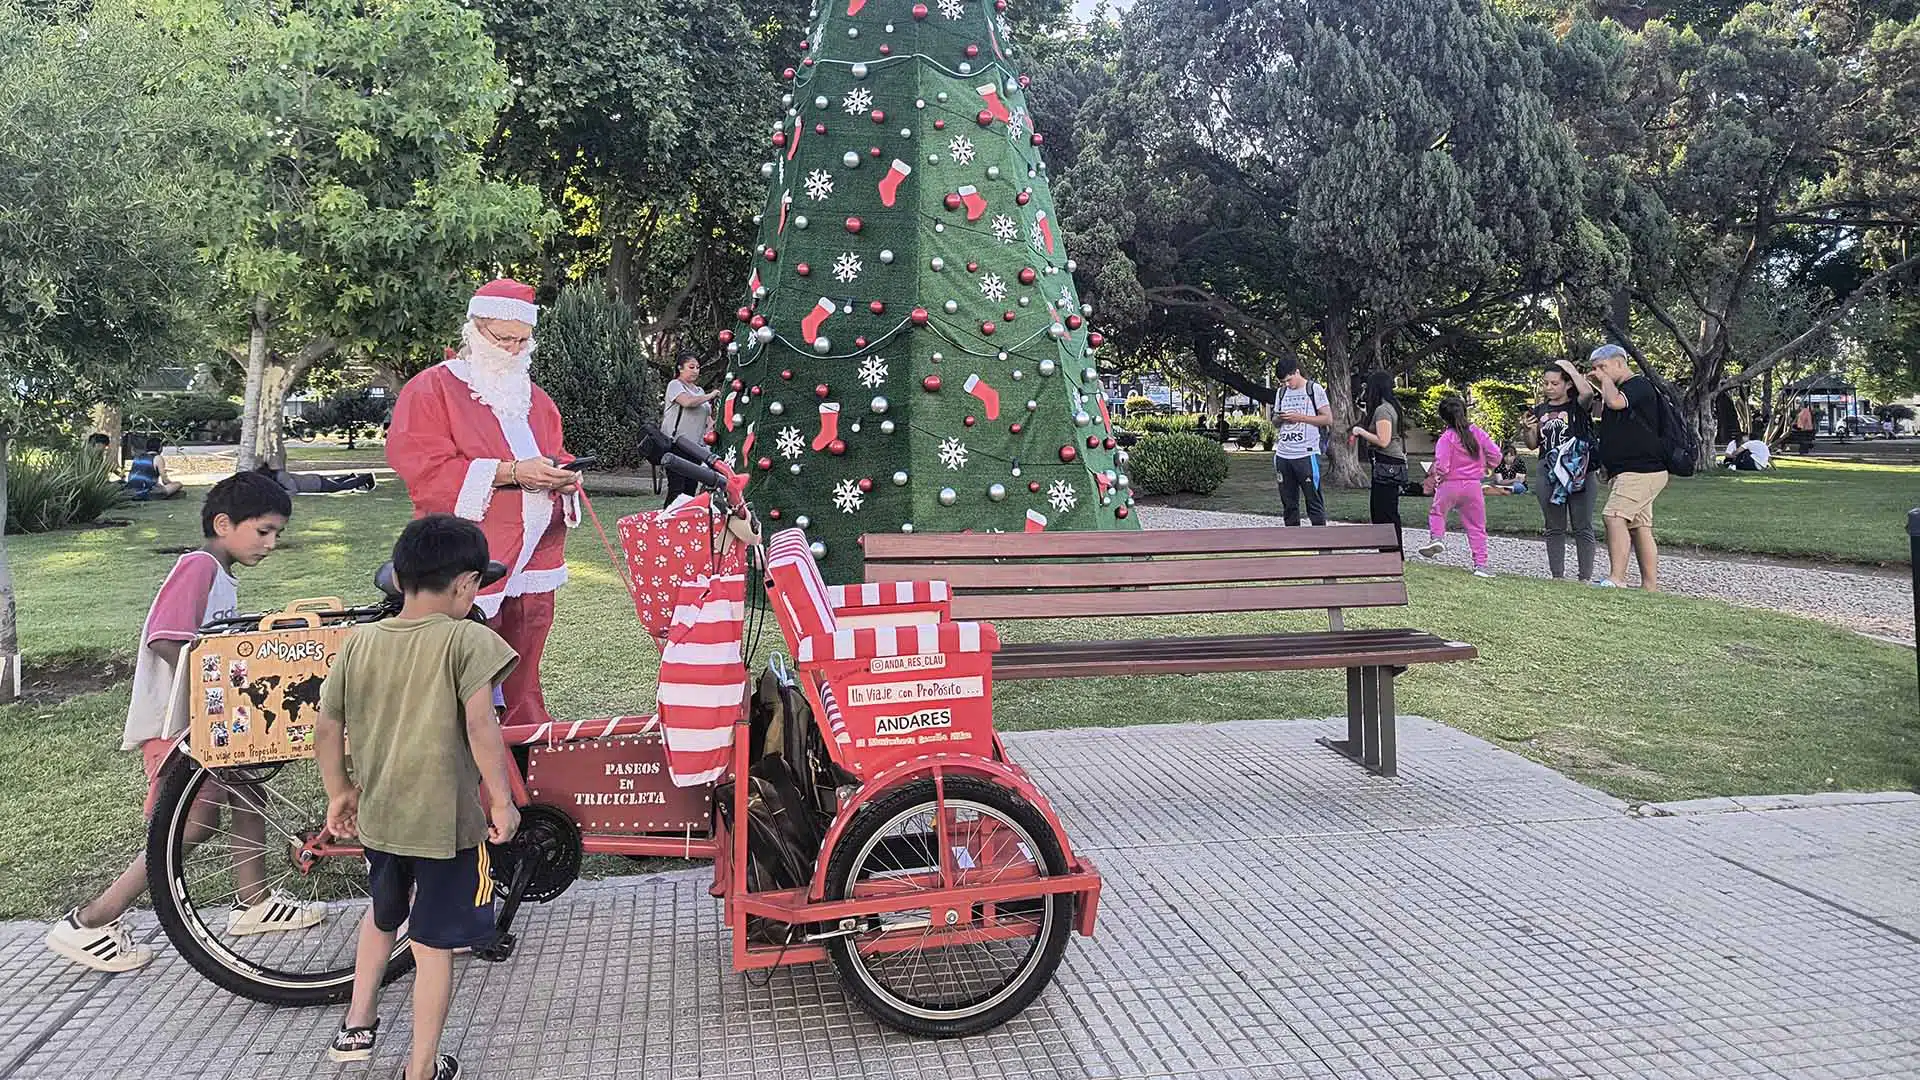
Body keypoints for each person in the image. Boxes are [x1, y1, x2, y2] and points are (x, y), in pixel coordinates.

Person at [44, 473, 326, 973]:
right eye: (263, 531)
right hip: (180, 727)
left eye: (276, 533)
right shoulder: (198, 567)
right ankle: (89, 922)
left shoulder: (220, 573)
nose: (272, 543)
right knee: (188, 826)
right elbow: (165, 637)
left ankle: (254, 902)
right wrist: (218, 688)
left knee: (247, 792)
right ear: (224, 524)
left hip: (207, 722)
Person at [317, 515, 520, 1080]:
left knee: (382, 917)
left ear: (401, 578)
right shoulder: (468, 639)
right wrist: (501, 802)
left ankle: (357, 1025)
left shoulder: (358, 644)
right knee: (433, 947)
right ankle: (422, 1068)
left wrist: (339, 791)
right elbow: (482, 727)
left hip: (381, 820)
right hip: (448, 827)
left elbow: (327, 729)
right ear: (465, 584)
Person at [386, 278, 579, 728]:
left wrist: (566, 475)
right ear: (474, 329)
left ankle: (523, 725)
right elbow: (422, 466)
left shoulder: (536, 398)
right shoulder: (432, 388)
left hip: (535, 550)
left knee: (525, 643)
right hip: (470, 547)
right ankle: (459, 734)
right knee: (465, 653)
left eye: (522, 340)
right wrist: (511, 473)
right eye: (502, 338)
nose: (513, 350)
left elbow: (555, 452)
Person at [1589, 343, 1669, 591]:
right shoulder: (1618, 389)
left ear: (1620, 363)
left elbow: (1614, 402)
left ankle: (1617, 578)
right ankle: (1649, 586)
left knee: (1613, 516)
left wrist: (1602, 382)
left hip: (1642, 470)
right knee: (1639, 526)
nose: (1598, 372)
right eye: (1595, 368)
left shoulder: (1638, 385)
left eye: (1602, 367)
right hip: (1628, 470)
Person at [1521, 359, 1599, 582]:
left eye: (1555, 383)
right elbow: (1532, 444)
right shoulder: (1540, 410)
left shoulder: (1578, 406)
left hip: (1578, 469)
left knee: (1582, 525)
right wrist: (1527, 430)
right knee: (1554, 526)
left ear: (1567, 385)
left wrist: (1572, 369)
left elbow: (1588, 393)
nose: (1549, 388)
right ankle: (1558, 576)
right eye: (1545, 383)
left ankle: (1584, 577)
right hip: (1549, 470)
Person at [1417, 396, 1502, 578]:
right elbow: (1496, 455)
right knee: (1477, 526)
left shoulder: (1446, 438)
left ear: (1443, 417)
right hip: (1473, 486)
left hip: (1449, 484)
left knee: (1438, 512)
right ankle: (1480, 564)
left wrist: (1436, 475)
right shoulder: (1477, 433)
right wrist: (1486, 465)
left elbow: (1442, 465)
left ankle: (1437, 538)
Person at [1347, 370, 1408, 549]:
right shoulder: (1391, 406)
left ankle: (1392, 551)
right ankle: (1388, 550)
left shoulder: (1383, 410)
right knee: (1382, 509)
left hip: (1388, 463)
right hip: (1388, 463)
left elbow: (1383, 440)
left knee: (1384, 511)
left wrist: (1360, 432)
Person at [1269, 356, 1332, 526]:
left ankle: (1321, 544)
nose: (1287, 385)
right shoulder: (1281, 392)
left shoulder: (1314, 389)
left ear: (1297, 372)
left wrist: (1300, 418)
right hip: (1283, 454)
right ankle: (1293, 545)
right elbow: (1274, 421)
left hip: (1306, 453)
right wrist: (1280, 418)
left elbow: (1327, 419)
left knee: (1314, 502)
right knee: (1289, 504)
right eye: (1283, 382)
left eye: (1289, 380)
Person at [661, 352, 720, 507]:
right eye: (691, 367)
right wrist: (711, 395)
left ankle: (684, 526)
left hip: (696, 448)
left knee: (690, 491)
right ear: (680, 368)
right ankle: (666, 524)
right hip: (677, 444)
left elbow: (707, 419)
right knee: (676, 490)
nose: (695, 371)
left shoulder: (699, 390)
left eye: (698, 367)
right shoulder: (675, 385)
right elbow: (687, 402)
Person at [255, 456, 377, 495]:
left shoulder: (281, 476)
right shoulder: (278, 476)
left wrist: (279, 493)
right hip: (313, 481)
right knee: (336, 483)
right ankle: (351, 476)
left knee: (339, 487)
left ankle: (366, 478)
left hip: (314, 484)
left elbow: (293, 490)